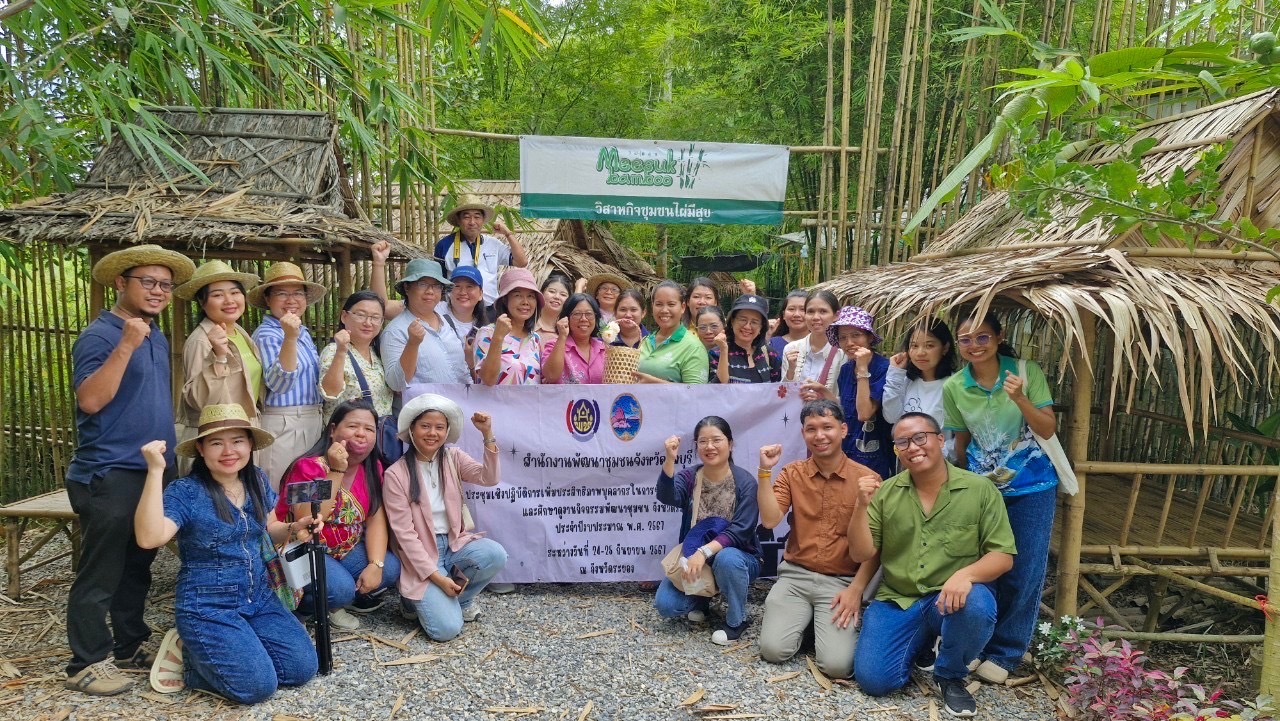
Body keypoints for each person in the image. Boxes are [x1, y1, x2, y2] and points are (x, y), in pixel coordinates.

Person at [64, 244, 194, 696]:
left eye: (165, 285)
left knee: (138, 562)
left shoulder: (154, 334)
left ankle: (128, 644)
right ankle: (85, 663)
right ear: (121, 283)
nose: (158, 291)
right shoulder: (100, 336)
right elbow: (90, 400)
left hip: (150, 469)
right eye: (148, 282)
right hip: (109, 470)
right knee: (101, 570)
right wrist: (125, 344)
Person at [134, 404, 320, 703]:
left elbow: (270, 528)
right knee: (258, 687)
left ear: (250, 445)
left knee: (301, 668)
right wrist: (155, 471)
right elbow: (149, 538)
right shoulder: (186, 492)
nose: (229, 451)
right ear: (201, 449)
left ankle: (232, 646)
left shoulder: (255, 479)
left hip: (259, 597)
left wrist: (295, 527)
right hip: (208, 605)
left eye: (237, 441)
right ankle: (192, 661)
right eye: (216, 443)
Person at [849, 413, 1016, 717]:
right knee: (874, 681)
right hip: (898, 598)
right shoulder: (886, 492)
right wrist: (861, 506)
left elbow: (1003, 556)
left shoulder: (980, 489)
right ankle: (921, 642)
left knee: (977, 606)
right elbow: (862, 553)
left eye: (920, 437)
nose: (912, 447)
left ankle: (949, 675)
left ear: (940, 440)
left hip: (950, 599)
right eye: (902, 442)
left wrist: (965, 575)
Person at [942, 312, 1059, 684]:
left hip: (1033, 485)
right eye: (966, 339)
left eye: (982, 337)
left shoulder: (1025, 372)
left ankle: (1007, 651)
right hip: (983, 489)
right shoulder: (954, 385)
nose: (974, 346)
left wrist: (1020, 398)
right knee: (983, 566)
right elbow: (960, 441)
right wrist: (961, 482)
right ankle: (977, 643)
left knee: (1025, 570)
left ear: (999, 336)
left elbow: (1047, 428)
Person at [755, 400, 880, 679]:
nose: (819, 435)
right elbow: (770, 520)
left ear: (843, 429)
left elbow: (875, 548)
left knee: (836, 666)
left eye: (827, 427)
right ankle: (807, 620)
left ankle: (815, 622)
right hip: (795, 576)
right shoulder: (792, 473)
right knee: (773, 651)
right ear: (803, 434)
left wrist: (856, 589)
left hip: (841, 582)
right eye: (811, 429)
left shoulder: (867, 479)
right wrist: (764, 472)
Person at [383, 394, 506, 641]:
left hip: (453, 544)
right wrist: (438, 578)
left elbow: (489, 478)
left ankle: (462, 600)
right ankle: (411, 601)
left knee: (495, 554)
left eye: (439, 427)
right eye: (425, 426)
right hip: (421, 554)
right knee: (446, 630)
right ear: (412, 430)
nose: (432, 433)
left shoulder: (453, 458)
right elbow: (405, 537)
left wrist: (487, 434)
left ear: (447, 431)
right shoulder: (396, 474)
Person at [277, 400, 400, 631]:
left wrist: (375, 564)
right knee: (340, 589)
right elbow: (309, 519)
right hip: (306, 548)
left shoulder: (373, 468)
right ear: (333, 430)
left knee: (390, 567)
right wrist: (336, 471)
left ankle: (336, 600)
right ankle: (302, 610)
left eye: (369, 429)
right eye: (353, 426)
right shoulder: (306, 467)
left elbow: (375, 519)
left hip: (344, 549)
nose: (361, 434)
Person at [653, 417, 761, 645]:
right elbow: (666, 496)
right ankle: (702, 599)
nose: (709, 446)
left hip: (738, 559)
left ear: (730, 443)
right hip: (696, 559)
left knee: (727, 559)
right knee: (666, 605)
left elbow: (740, 531)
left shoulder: (745, 482)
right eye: (703, 441)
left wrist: (703, 552)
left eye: (716, 440)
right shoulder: (690, 477)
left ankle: (737, 620)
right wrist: (670, 460)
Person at [173, 260, 263, 475]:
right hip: (214, 442)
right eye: (217, 295)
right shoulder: (201, 341)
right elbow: (196, 398)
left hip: (241, 434)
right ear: (202, 302)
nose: (229, 300)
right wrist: (219, 357)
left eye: (235, 292)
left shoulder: (240, 333)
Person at [249, 261, 327, 490]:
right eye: (282, 293)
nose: (291, 300)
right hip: (284, 424)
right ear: (268, 299)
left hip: (311, 420)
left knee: (308, 493)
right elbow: (279, 384)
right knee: (282, 491)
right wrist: (289, 338)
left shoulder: (303, 333)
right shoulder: (267, 334)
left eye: (298, 293)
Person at [805, 306, 894, 479]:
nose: (849, 342)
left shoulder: (884, 368)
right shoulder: (846, 369)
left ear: (869, 337)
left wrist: (862, 369)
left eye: (856, 335)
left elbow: (864, 413)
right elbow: (846, 411)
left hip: (874, 454)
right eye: (843, 337)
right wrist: (823, 391)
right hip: (847, 449)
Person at [381, 258, 471, 394]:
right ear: (407, 288)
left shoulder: (447, 322)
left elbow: (463, 370)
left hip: (462, 403)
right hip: (426, 407)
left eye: (436, 286)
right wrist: (412, 344)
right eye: (422, 284)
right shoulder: (395, 331)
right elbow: (396, 384)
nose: (430, 291)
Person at [432, 195, 528, 307]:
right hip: (457, 309)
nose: (472, 222)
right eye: (466, 217)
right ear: (458, 220)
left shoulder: (493, 244)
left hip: (490, 308)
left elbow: (521, 262)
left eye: (477, 217)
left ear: (483, 220)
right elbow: (438, 281)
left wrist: (508, 233)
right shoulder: (444, 245)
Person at [883, 319, 957, 460]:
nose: (920, 352)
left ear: (945, 347)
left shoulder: (954, 385)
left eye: (929, 345)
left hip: (941, 464)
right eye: (914, 346)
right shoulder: (905, 381)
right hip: (907, 462)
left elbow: (962, 436)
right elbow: (891, 417)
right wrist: (895, 373)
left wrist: (936, 455)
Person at [319, 291, 394, 420]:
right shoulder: (333, 350)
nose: (368, 323)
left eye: (375, 317)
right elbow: (330, 393)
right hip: (348, 430)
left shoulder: (378, 353)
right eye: (360, 315)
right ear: (344, 316)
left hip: (378, 430)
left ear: (382, 321)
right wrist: (341, 351)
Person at [475, 267, 544, 386]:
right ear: (505, 300)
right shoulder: (487, 333)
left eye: (531, 296)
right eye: (518, 295)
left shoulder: (535, 339)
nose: (525, 302)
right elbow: (488, 379)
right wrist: (498, 337)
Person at [635, 281, 709, 384]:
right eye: (659, 304)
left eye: (671, 304)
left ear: (683, 307)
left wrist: (655, 384)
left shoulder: (693, 347)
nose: (664, 310)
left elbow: (696, 392)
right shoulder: (645, 341)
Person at [710, 294, 781, 384]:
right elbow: (717, 387)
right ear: (732, 321)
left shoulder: (770, 355)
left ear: (761, 327)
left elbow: (777, 389)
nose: (747, 326)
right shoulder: (716, 354)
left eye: (754, 322)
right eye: (743, 320)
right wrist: (724, 350)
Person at [782, 289, 844, 392]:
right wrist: (791, 370)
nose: (815, 317)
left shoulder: (842, 352)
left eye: (823, 311)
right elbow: (784, 393)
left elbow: (846, 397)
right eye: (810, 311)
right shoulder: (791, 349)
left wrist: (823, 395)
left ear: (836, 316)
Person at [542, 293, 607, 384]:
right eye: (577, 314)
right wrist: (562, 336)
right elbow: (551, 376)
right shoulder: (553, 345)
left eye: (589, 314)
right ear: (566, 318)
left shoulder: (604, 349)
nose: (583, 319)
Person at [439, 266, 489, 341]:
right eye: (457, 286)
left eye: (469, 286)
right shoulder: (436, 310)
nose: (463, 292)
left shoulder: (484, 332)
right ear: (449, 291)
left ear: (480, 294)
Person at [769, 290, 809, 359]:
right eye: (791, 309)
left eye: (802, 309)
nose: (797, 314)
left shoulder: (822, 343)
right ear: (783, 315)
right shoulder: (773, 344)